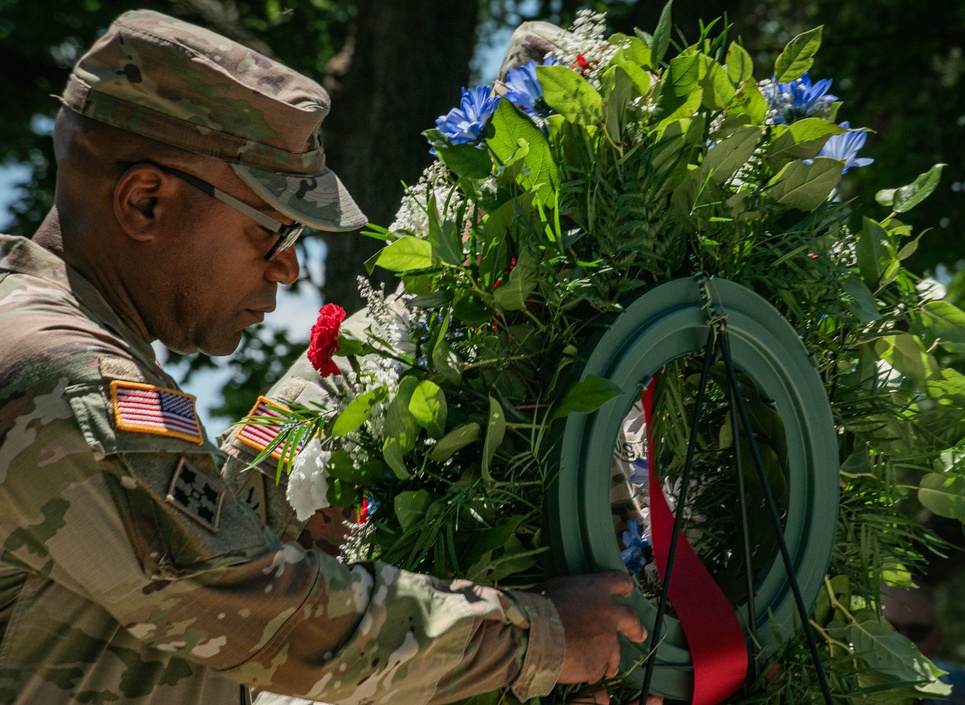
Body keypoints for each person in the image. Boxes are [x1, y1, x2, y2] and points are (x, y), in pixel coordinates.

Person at [0, 10, 649, 704]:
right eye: (271, 231)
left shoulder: (59, 339)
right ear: (146, 201)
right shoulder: (64, 377)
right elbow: (260, 613)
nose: (288, 270)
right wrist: (544, 637)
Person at [882, 585, 965, 705]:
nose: (903, 642)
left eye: (917, 631)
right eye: (887, 630)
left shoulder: (964, 689)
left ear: (937, 639)